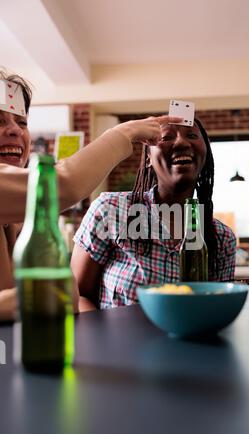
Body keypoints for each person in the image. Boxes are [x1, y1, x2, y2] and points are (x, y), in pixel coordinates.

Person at [0, 70, 181, 320]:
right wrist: (126, 132)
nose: (14, 131)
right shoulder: (106, 207)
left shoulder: (18, 219)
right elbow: (65, 183)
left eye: (22, 122)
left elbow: (65, 294)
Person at [71, 118, 236, 311]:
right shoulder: (111, 210)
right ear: (148, 157)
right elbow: (77, 295)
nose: (182, 142)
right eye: (166, 137)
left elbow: (216, 309)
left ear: (205, 155)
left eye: (191, 135)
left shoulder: (221, 238)